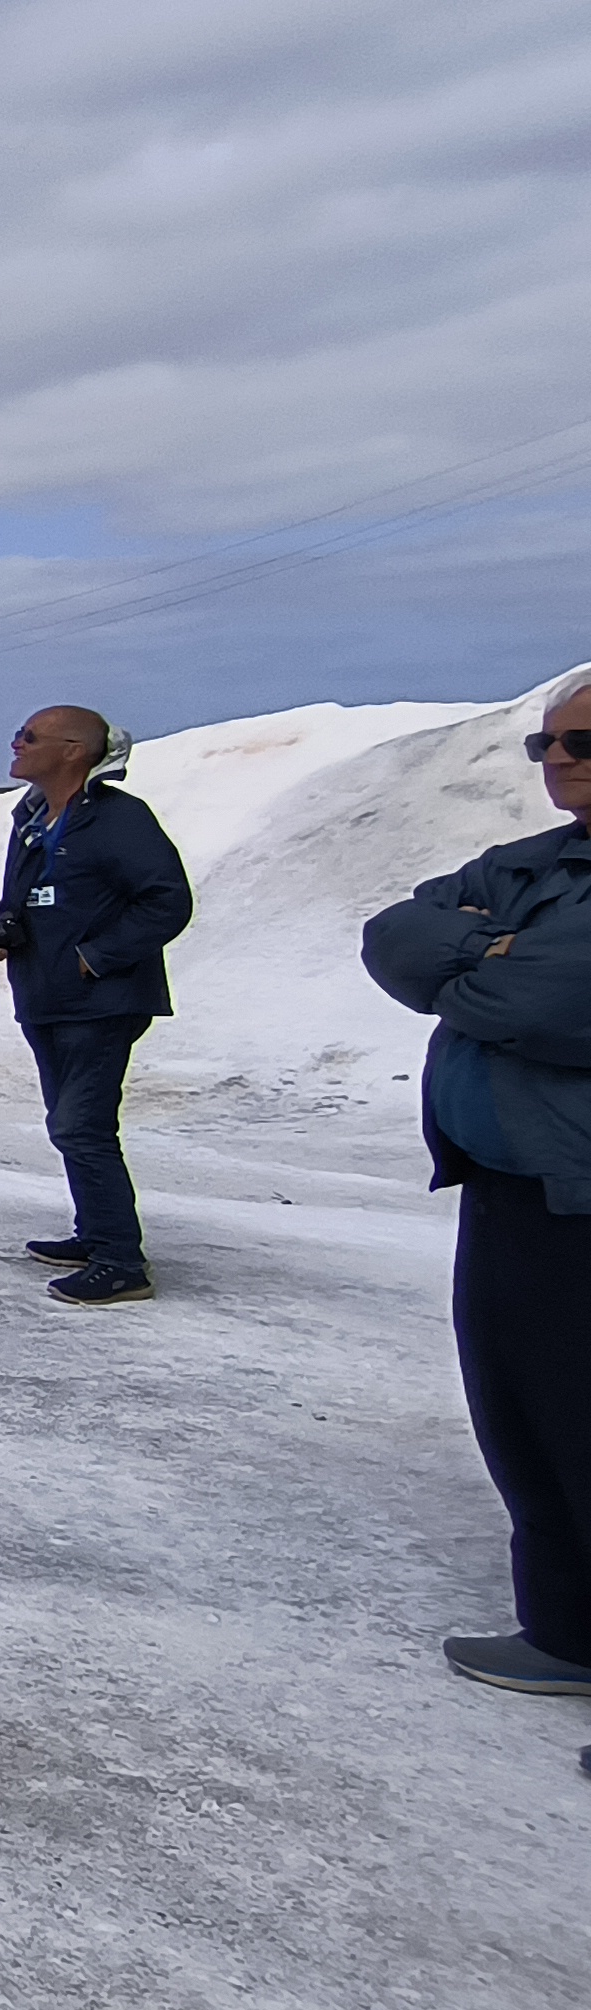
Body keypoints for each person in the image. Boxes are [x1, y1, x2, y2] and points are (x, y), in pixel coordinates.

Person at [361, 676, 591, 1703]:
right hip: (508, 1189)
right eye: (543, 744)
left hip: (579, 1192)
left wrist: (484, 962)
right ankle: (567, 1631)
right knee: (527, 1417)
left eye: (580, 741)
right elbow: (390, 936)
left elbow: (552, 998)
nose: (557, 759)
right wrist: (488, 954)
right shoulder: (530, 864)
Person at [0, 706, 196, 1308]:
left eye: (29, 737)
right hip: (46, 997)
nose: (15, 743)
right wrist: (0, 933)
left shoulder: (118, 820)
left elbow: (167, 902)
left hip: (102, 1001)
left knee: (79, 1126)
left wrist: (98, 956)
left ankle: (120, 1262)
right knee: (74, 1127)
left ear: (72, 751)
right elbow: (33, 902)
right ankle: (96, 1236)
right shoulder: (32, 817)